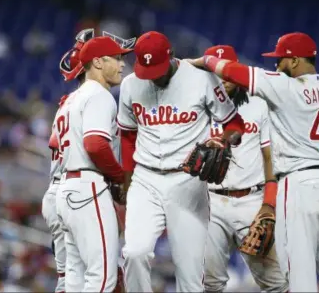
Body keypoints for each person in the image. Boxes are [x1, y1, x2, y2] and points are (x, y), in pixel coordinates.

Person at [187, 32, 319, 292]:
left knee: (298, 273)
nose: (276, 65)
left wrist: (204, 60)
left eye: (280, 60)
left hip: (299, 182)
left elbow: (234, 71)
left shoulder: (285, 86)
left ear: (293, 61)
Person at [117, 31, 245, 292]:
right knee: (134, 253)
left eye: (158, 69)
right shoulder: (130, 84)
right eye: (146, 69)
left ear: (171, 55)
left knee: (189, 271)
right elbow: (128, 137)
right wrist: (127, 184)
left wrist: (224, 141)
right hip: (145, 178)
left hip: (187, 179)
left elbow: (234, 123)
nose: (152, 75)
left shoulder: (201, 79)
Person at [202, 45, 288, 292]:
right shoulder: (198, 106)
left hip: (252, 201)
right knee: (210, 283)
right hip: (210, 202)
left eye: (226, 73)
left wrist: (269, 204)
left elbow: (271, 158)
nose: (221, 80)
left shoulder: (258, 104)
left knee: (277, 283)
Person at [54, 36, 132, 292]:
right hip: (88, 189)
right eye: (117, 58)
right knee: (103, 278)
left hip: (66, 189)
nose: (122, 65)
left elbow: (54, 143)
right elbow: (95, 144)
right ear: (98, 62)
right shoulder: (99, 95)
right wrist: (119, 176)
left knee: (75, 279)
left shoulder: (69, 101)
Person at [41, 28, 92, 293]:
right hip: (75, 193)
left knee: (68, 282)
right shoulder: (92, 101)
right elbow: (95, 148)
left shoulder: (67, 103)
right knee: (97, 278)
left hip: (57, 193)